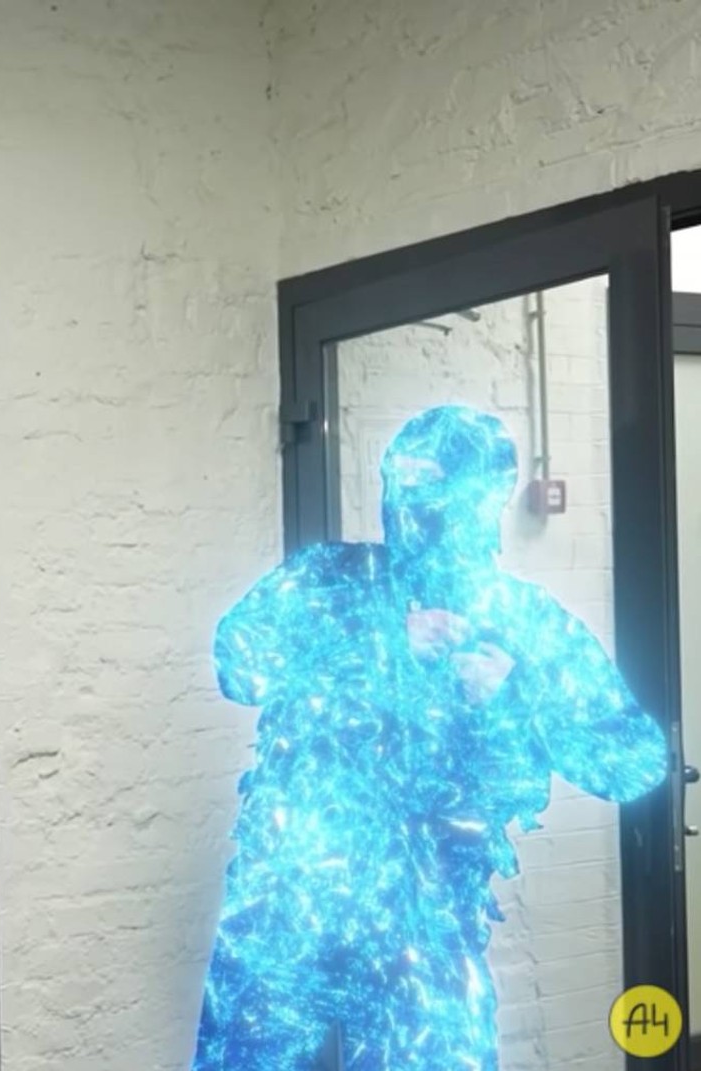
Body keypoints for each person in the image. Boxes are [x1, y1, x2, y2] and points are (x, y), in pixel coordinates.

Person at [191, 405, 667, 1071]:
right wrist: (379, 640)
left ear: (485, 499)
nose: (409, 505)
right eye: (399, 481)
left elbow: (634, 762)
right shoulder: (333, 578)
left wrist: (516, 693)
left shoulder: (522, 620)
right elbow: (237, 662)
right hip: (289, 912)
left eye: (431, 486)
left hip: (427, 933)